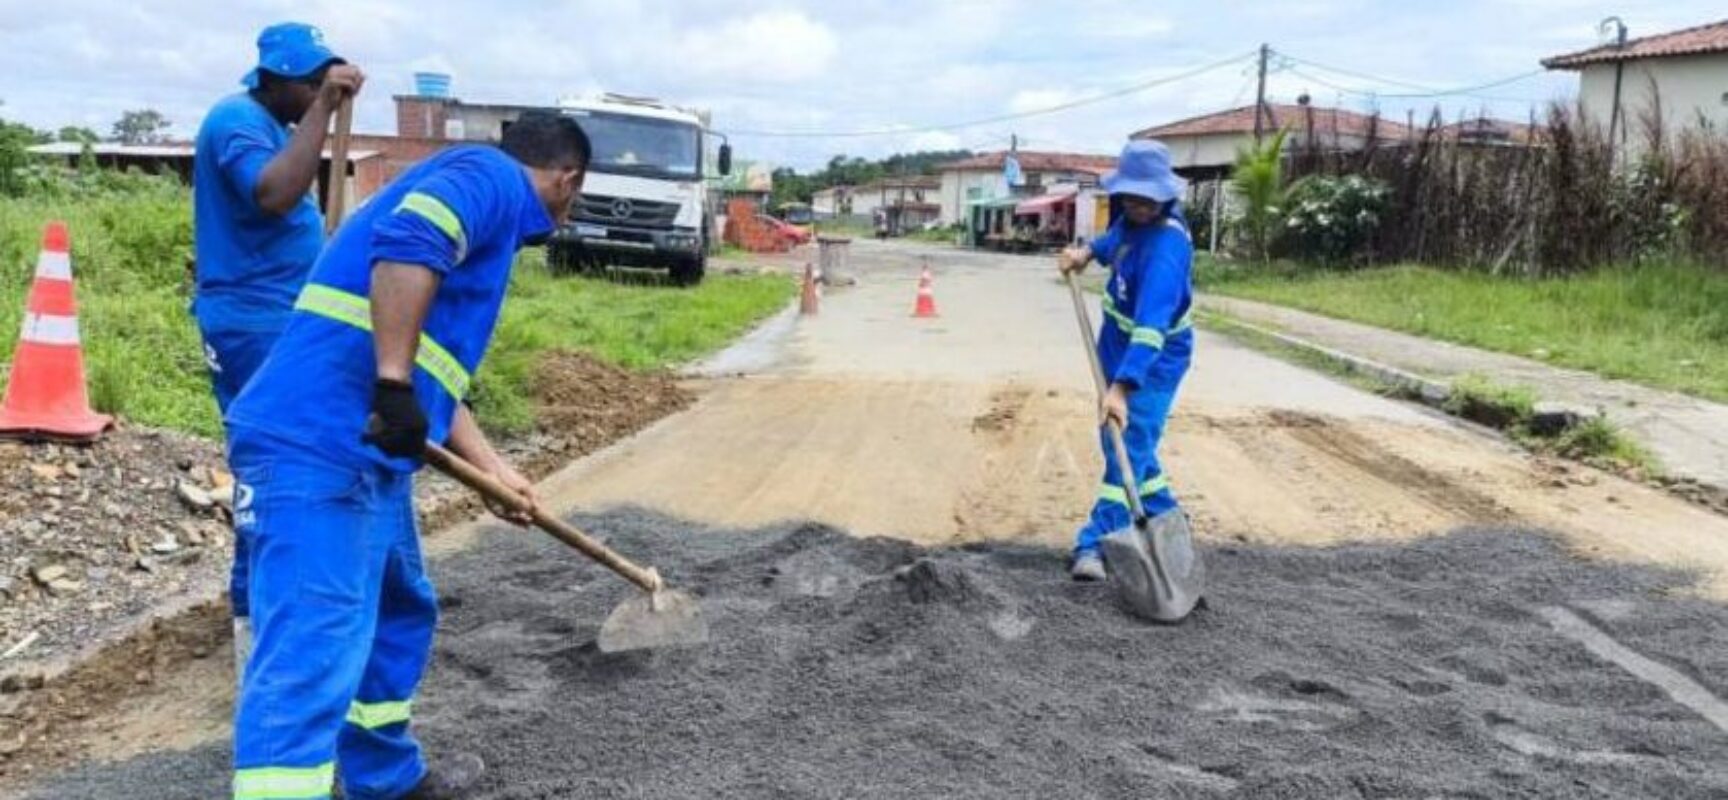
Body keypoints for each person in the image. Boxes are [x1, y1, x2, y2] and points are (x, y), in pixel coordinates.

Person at [221, 111, 590, 800]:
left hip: (367, 454)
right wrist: (391, 385)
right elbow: (411, 239)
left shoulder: (492, 219)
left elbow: (436, 377)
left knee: (397, 611)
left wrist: (495, 471)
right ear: (566, 179)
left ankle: (385, 780)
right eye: (574, 198)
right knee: (311, 648)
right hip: (317, 443)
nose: (567, 213)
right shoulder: (489, 177)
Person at [192, 21, 364, 668]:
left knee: (288, 451)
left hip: (282, 317)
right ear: (278, 80)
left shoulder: (276, 125)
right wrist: (325, 110)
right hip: (251, 323)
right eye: (313, 82)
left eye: (327, 79)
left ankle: (276, 601)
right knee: (270, 459)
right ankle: (257, 614)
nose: (323, 90)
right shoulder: (234, 120)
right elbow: (273, 195)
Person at [1057, 139, 1194, 582]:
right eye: (1130, 196)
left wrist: (1121, 388)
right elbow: (1117, 238)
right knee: (1126, 446)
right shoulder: (1132, 221)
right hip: (1116, 344)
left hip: (1152, 360)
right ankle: (1165, 514)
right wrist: (1087, 254)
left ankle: (1093, 544)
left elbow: (1151, 329)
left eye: (1145, 198)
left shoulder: (1166, 253)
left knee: (1126, 451)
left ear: (1164, 196)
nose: (1136, 205)